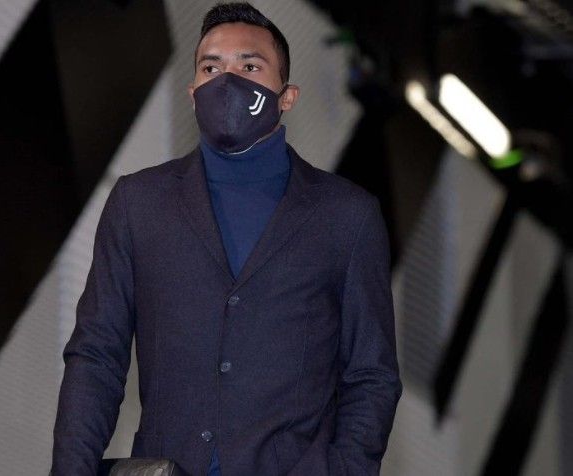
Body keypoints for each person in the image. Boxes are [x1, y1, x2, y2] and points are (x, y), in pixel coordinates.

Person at [51, 2, 401, 475]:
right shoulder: (139, 203)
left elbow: (371, 374)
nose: (227, 82)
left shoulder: (346, 216)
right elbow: (97, 354)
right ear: (193, 92)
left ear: (287, 96)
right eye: (211, 68)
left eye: (249, 67)